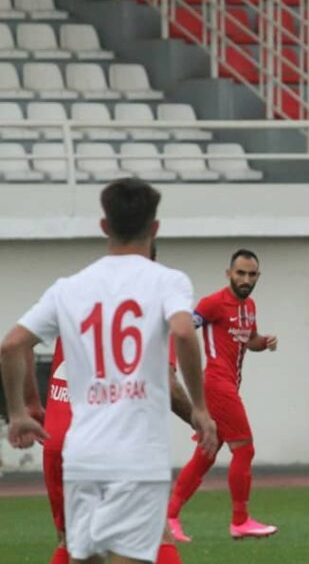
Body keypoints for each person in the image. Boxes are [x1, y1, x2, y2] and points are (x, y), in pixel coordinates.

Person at [1, 178, 217, 564]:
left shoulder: (69, 287)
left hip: (82, 456)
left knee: (80, 555)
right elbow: (185, 332)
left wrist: (18, 411)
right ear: (154, 228)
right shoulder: (168, 280)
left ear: (104, 226)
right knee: (138, 551)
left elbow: (11, 345)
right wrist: (199, 407)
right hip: (137, 455)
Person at [27, 244, 201, 564]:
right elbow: (168, 373)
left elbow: (14, 345)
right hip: (113, 439)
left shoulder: (77, 296)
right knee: (155, 535)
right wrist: (198, 416)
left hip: (62, 440)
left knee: (73, 543)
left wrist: (28, 406)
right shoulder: (151, 305)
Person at [167, 249, 279, 542]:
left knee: (206, 454)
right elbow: (182, 330)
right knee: (244, 449)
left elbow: (249, 340)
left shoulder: (249, 306)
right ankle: (240, 520)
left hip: (227, 384)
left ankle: (169, 516)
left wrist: (264, 342)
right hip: (217, 384)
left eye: (251, 274)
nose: (246, 279)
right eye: (240, 273)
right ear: (228, 274)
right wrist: (170, 363)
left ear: (258, 277)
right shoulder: (213, 303)